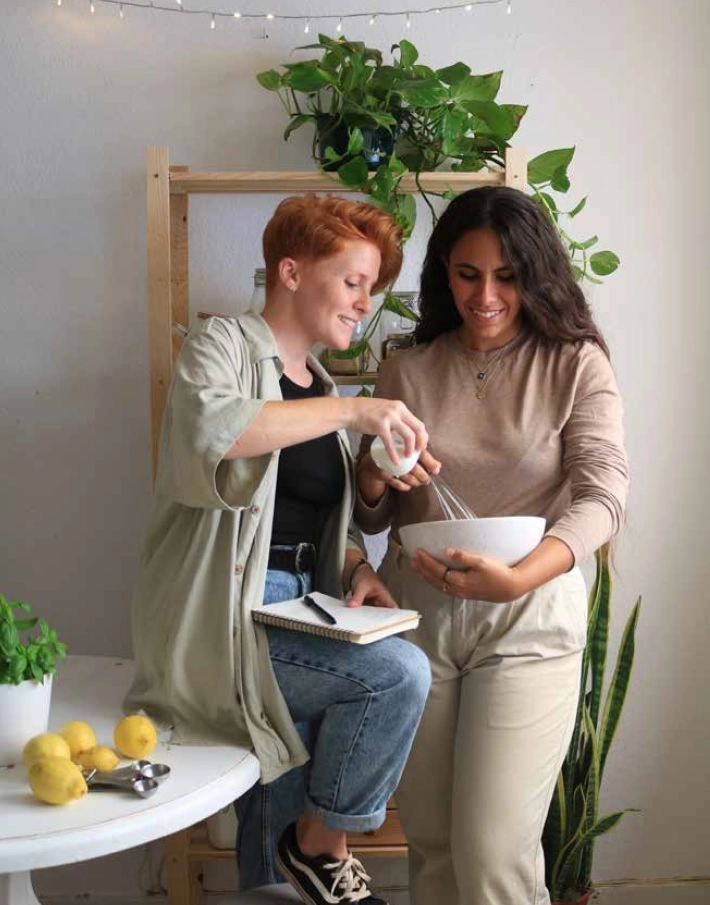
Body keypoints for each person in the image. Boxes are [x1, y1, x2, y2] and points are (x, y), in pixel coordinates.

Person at [124, 195, 432, 905]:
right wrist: (358, 409)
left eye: (371, 288)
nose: (364, 303)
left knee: (276, 819)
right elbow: (216, 435)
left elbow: (318, 515)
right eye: (353, 281)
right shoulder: (221, 346)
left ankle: (294, 855)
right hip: (226, 619)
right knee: (396, 676)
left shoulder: (321, 386)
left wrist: (357, 567)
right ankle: (323, 842)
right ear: (291, 272)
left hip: (304, 610)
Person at [354, 185, 629, 905]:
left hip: (529, 614)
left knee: (493, 855)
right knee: (436, 846)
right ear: (444, 271)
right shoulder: (406, 369)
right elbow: (372, 513)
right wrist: (378, 471)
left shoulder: (575, 365)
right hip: (417, 620)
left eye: (507, 276)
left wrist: (518, 578)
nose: (486, 295)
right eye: (469, 273)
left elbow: (603, 499)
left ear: (535, 276)